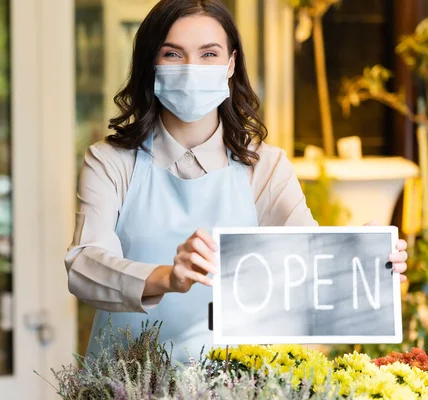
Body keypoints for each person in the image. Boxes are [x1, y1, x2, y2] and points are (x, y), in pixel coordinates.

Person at [65, 0, 408, 363]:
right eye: (173, 54)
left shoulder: (266, 167)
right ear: (151, 64)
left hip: (233, 384)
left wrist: (366, 263)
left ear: (230, 64)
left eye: (208, 54)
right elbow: (84, 266)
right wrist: (168, 277)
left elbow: (307, 270)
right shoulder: (110, 161)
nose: (191, 68)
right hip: (122, 380)